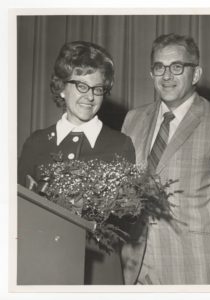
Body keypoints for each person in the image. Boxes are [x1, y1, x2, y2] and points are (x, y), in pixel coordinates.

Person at [18, 41, 135, 285]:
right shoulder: (36, 143)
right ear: (61, 87)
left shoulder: (120, 145)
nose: (90, 96)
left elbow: (125, 221)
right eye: (81, 85)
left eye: (98, 88)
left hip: (98, 271)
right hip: (41, 263)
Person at [121, 33, 210, 285]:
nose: (167, 76)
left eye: (177, 67)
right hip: (134, 267)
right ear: (152, 74)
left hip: (195, 269)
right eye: (159, 67)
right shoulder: (133, 120)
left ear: (195, 74)